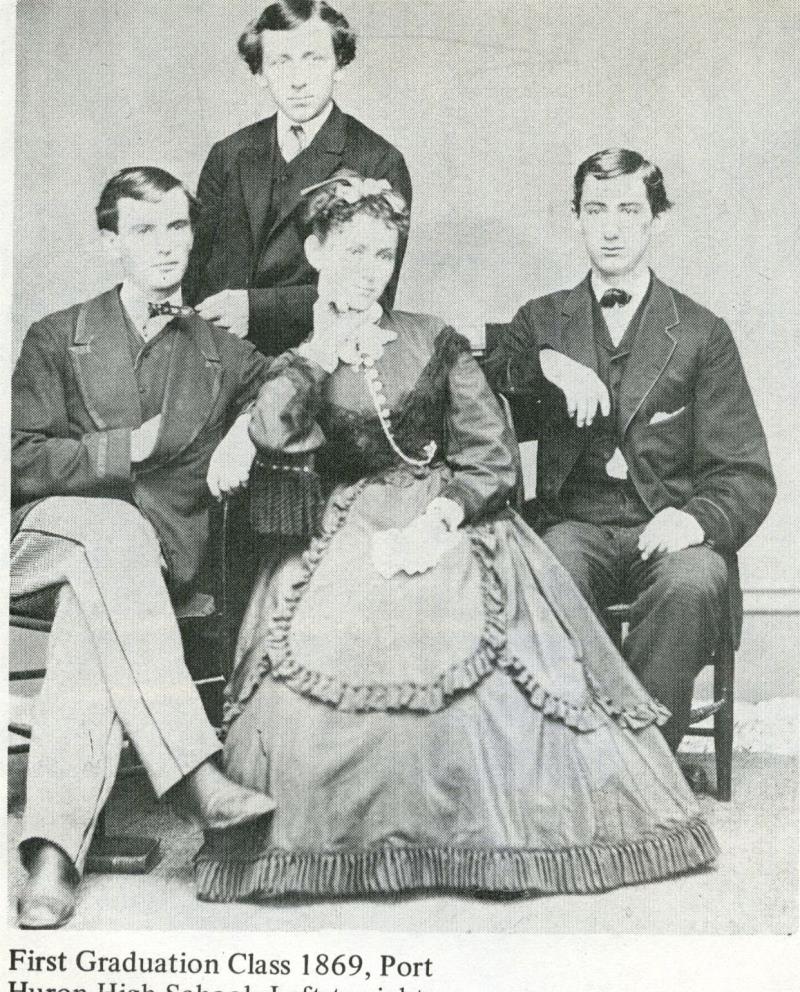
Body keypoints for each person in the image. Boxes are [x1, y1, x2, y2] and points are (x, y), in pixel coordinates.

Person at [194, 173, 718, 904]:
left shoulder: (431, 338)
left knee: (473, 653)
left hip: (450, 516)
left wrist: (444, 514)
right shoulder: (296, 356)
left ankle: (479, 846)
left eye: (383, 254)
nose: (369, 270)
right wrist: (319, 353)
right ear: (315, 252)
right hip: (344, 528)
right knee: (326, 647)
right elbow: (274, 432)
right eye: (353, 252)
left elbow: (491, 455)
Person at [10, 167, 277, 928]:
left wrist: (245, 430)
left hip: (147, 570)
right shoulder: (58, 335)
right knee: (112, 532)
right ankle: (194, 771)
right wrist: (123, 448)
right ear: (111, 244)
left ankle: (52, 855)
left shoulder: (220, 351)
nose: (166, 245)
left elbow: (289, 386)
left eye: (177, 226)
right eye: (144, 229)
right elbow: (17, 459)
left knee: (92, 616)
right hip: (44, 545)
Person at [485, 149, 775, 757]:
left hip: (665, 528)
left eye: (628, 210)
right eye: (595, 210)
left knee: (695, 579)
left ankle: (643, 762)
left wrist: (694, 520)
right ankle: (582, 755)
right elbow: (478, 380)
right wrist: (546, 363)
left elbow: (747, 473)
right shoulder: (541, 320)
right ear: (576, 218)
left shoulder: (701, 331)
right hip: (575, 525)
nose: (611, 228)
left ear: (655, 220)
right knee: (549, 566)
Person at [184, 0, 412, 358]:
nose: (298, 80)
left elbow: (374, 293)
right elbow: (195, 274)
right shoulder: (228, 154)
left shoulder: (378, 160)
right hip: (222, 360)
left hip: (320, 360)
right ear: (259, 73)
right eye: (280, 62)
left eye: (314, 59)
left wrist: (258, 311)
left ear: (340, 65)